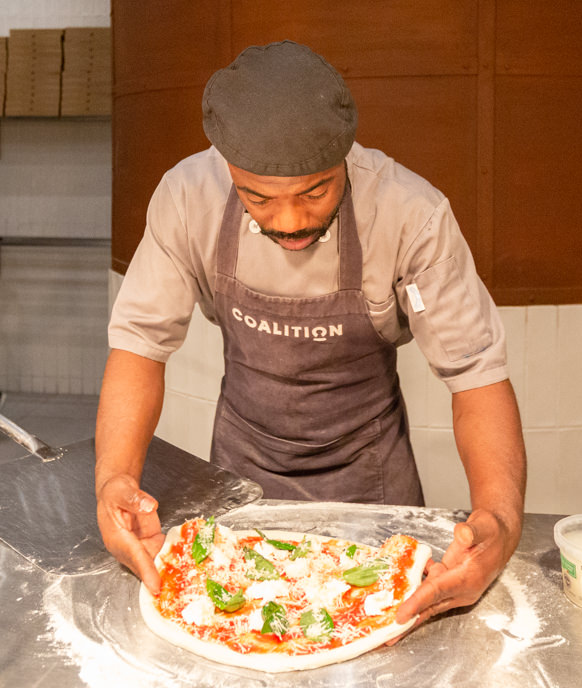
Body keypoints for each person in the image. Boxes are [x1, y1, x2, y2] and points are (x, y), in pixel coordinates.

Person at [94, 40, 526, 635]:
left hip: (372, 480)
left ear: (346, 158)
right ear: (226, 171)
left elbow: (476, 377)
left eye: (316, 192)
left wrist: (500, 521)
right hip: (242, 472)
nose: (290, 221)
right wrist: (114, 478)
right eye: (257, 197)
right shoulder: (186, 198)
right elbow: (140, 343)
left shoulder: (409, 214)